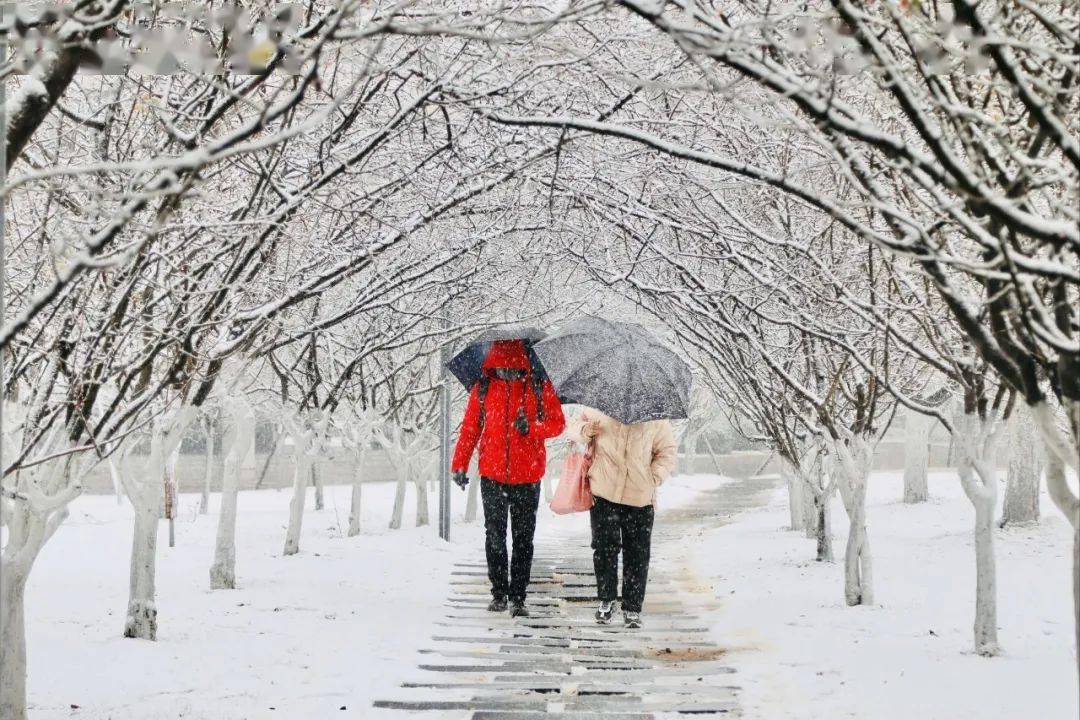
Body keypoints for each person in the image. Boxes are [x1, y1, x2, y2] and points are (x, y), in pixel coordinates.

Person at [451, 339, 565, 617]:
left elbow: (558, 424)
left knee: (523, 538)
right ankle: (499, 593)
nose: (507, 374)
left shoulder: (538, 387)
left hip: (528, 476)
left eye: (513, 370)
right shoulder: (484, 388)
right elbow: (470, 429)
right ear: (493, 365)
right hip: (493, 475)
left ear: (523, 366)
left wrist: (533, 428)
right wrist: (459, 464)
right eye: (502, 369)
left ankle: (519, 597)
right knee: (495, 536)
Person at [566, 406, 677, 628]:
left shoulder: (655, 415)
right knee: (604, 548)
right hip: (604, 491)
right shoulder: (600, 406)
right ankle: (606, 599)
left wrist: (654, 477)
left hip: (640, 496)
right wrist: (586, 430)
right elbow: (573, 430)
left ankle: (632, 607)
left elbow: (667, 451)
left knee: (637, 554)